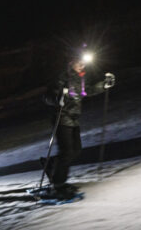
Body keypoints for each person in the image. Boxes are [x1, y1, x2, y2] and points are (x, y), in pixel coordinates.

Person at [42, 52, 115, 199]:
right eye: (79, 63)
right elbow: (47, 97)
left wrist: (103, 85)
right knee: (67, 152)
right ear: (71, 62)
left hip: (74, 117)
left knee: (76, 150)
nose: (82, 65)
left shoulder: (80, 77)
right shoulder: (62, 76)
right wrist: (58, 98)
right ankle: (58, 184)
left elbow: (86, 91)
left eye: (84, 63)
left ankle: (51, 166)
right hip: (61, 117)